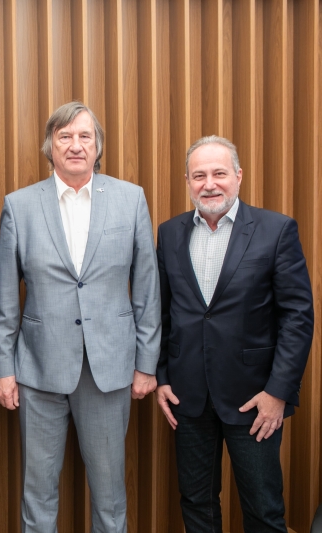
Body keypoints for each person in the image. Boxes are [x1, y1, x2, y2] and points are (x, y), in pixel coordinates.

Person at [0, 101, 161, 532]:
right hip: (38, 369)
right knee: (38, 493)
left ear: (98, 145)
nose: (75, 145)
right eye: (64, 136)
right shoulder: (20, 205)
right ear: (50, 145)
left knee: (109, 496)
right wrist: (3, 369)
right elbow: (6, 299)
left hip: (109, 369)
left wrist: (147, 363)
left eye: (84, 136)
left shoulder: (130, 198)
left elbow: (146, 290)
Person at [155, 136, 314, 532]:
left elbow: (297, 316)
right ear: (188, 182)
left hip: (254, 400)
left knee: (262, 509)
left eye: (219, 173)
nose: (209, 184)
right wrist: (161, 378)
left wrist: (278, 392)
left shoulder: (276, 230)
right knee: (197, 505)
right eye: (199, 175)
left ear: (238, 177)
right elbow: (161, 313)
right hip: (187, 399)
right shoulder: (170, 234)